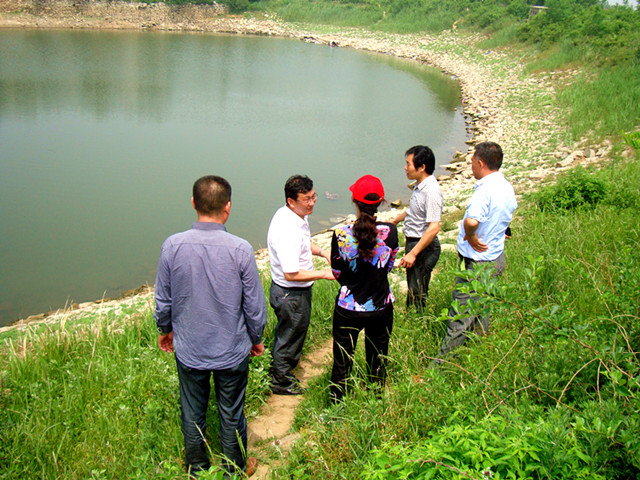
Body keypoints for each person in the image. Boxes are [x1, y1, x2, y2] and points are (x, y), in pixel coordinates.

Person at [154, 175, 267, 478]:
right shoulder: (240, 249)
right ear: (228, 207)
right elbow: (254, 305)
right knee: (231, 411)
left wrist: (165, 329)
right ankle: (235, 468)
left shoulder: (172, 246)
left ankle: (197, 468)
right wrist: (256, 338)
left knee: (192, 410)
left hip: (189, 348)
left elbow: (163, 299)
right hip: (231, 349)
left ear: (193, 204)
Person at [437, 142, 517, 357]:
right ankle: (476, 355)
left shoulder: (485, 190)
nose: (470, 165)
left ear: (480, 163)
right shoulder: (506, 186)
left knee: (460, 317)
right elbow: (507, 213)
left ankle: (441, 367)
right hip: (495, 258)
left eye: (472, 161)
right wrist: (501, 230)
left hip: (477, 264)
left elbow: (472, 221)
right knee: (483, 310)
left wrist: (470, 235)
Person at [329, 175, 399, 402]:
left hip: (348, 307)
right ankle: (376, 401)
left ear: (354, 200)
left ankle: (336, 406)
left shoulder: (340, 234)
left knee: (342, 360)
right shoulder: (390, 232)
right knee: (378, 358)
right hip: (381, 306)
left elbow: (337, 272)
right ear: (380, 201)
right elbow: (388, 266)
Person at [267, 175, 334, 395]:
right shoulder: (288, 230)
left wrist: (323, 252)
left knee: (288, 332)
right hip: (291, 294)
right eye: (306, 199)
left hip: (290, 292)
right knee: (290, 336)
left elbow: (304, 244)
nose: (312, 202)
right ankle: (281, 381)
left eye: (313, 197)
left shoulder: (295, 215)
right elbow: (291, 273)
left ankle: (278, 370)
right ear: (291, 200)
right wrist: (325, 274)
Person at [392, 145, 443, 310]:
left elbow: (434, 227)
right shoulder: (420, 186)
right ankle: (413, 315)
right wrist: (395, 221)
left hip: (423, 245)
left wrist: (413, 253)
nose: (405, 168)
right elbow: (413, 211)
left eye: (408, 164)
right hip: (414, 242)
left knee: (417, 289)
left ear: (422, 168)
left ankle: (417, 319)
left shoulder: (431, 191)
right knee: (413, 285)